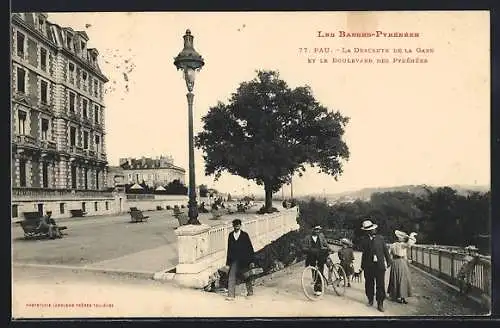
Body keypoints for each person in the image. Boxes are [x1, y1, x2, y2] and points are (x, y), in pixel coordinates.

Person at [358, 219, 392, 312]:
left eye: (374, 229)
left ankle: (380, 303)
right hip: (368, 265)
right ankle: (370, 299)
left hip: (379, 265)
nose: (374, 230)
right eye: (372, 229)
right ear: (367, 231)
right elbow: (364, 254)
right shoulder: (364, 240)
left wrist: (389, 261)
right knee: (369, 283)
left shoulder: (380, 238)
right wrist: (362, 266)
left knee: (380, 284)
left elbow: (385, 251)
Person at [226, 219, 256, 300]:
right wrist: (228, 263)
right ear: (233, 226)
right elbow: (229, 249)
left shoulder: (245, 235)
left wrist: (251, 260)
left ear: (240, 226)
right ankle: (231, 295)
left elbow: (250, 248)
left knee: (246, 275)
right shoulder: (230, 235)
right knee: (231, 276)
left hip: (244, 259)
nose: (237, 227)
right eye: (235, 225)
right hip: (234, 259)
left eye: (238, 225)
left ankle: (250, 291)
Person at [387, 230, 417, 304]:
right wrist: (411, 235)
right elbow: (411, 243)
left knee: (400, 279)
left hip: (398, 262)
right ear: (399, 238)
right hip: (399, 262)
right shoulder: (399, 245)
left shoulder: (397, 245)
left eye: (403, 238)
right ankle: (397, 296)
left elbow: (390, 255)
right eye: (401, 237)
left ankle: (401, 296)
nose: (402, 239)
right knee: (398, 278)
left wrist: (390, 262)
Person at [302, 225, 330, 296]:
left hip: (320, 256)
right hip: (312, 257)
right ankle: (316, 286)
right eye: (316, 229)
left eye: (318, 230)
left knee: (320, 270)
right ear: (312, 230)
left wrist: (328, 249)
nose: (317, 231)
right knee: (314, 272)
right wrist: (309, 250)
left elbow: (325, 244)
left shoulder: (321, 236)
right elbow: (304, 247)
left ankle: (319, 287)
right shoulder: (307, 238)